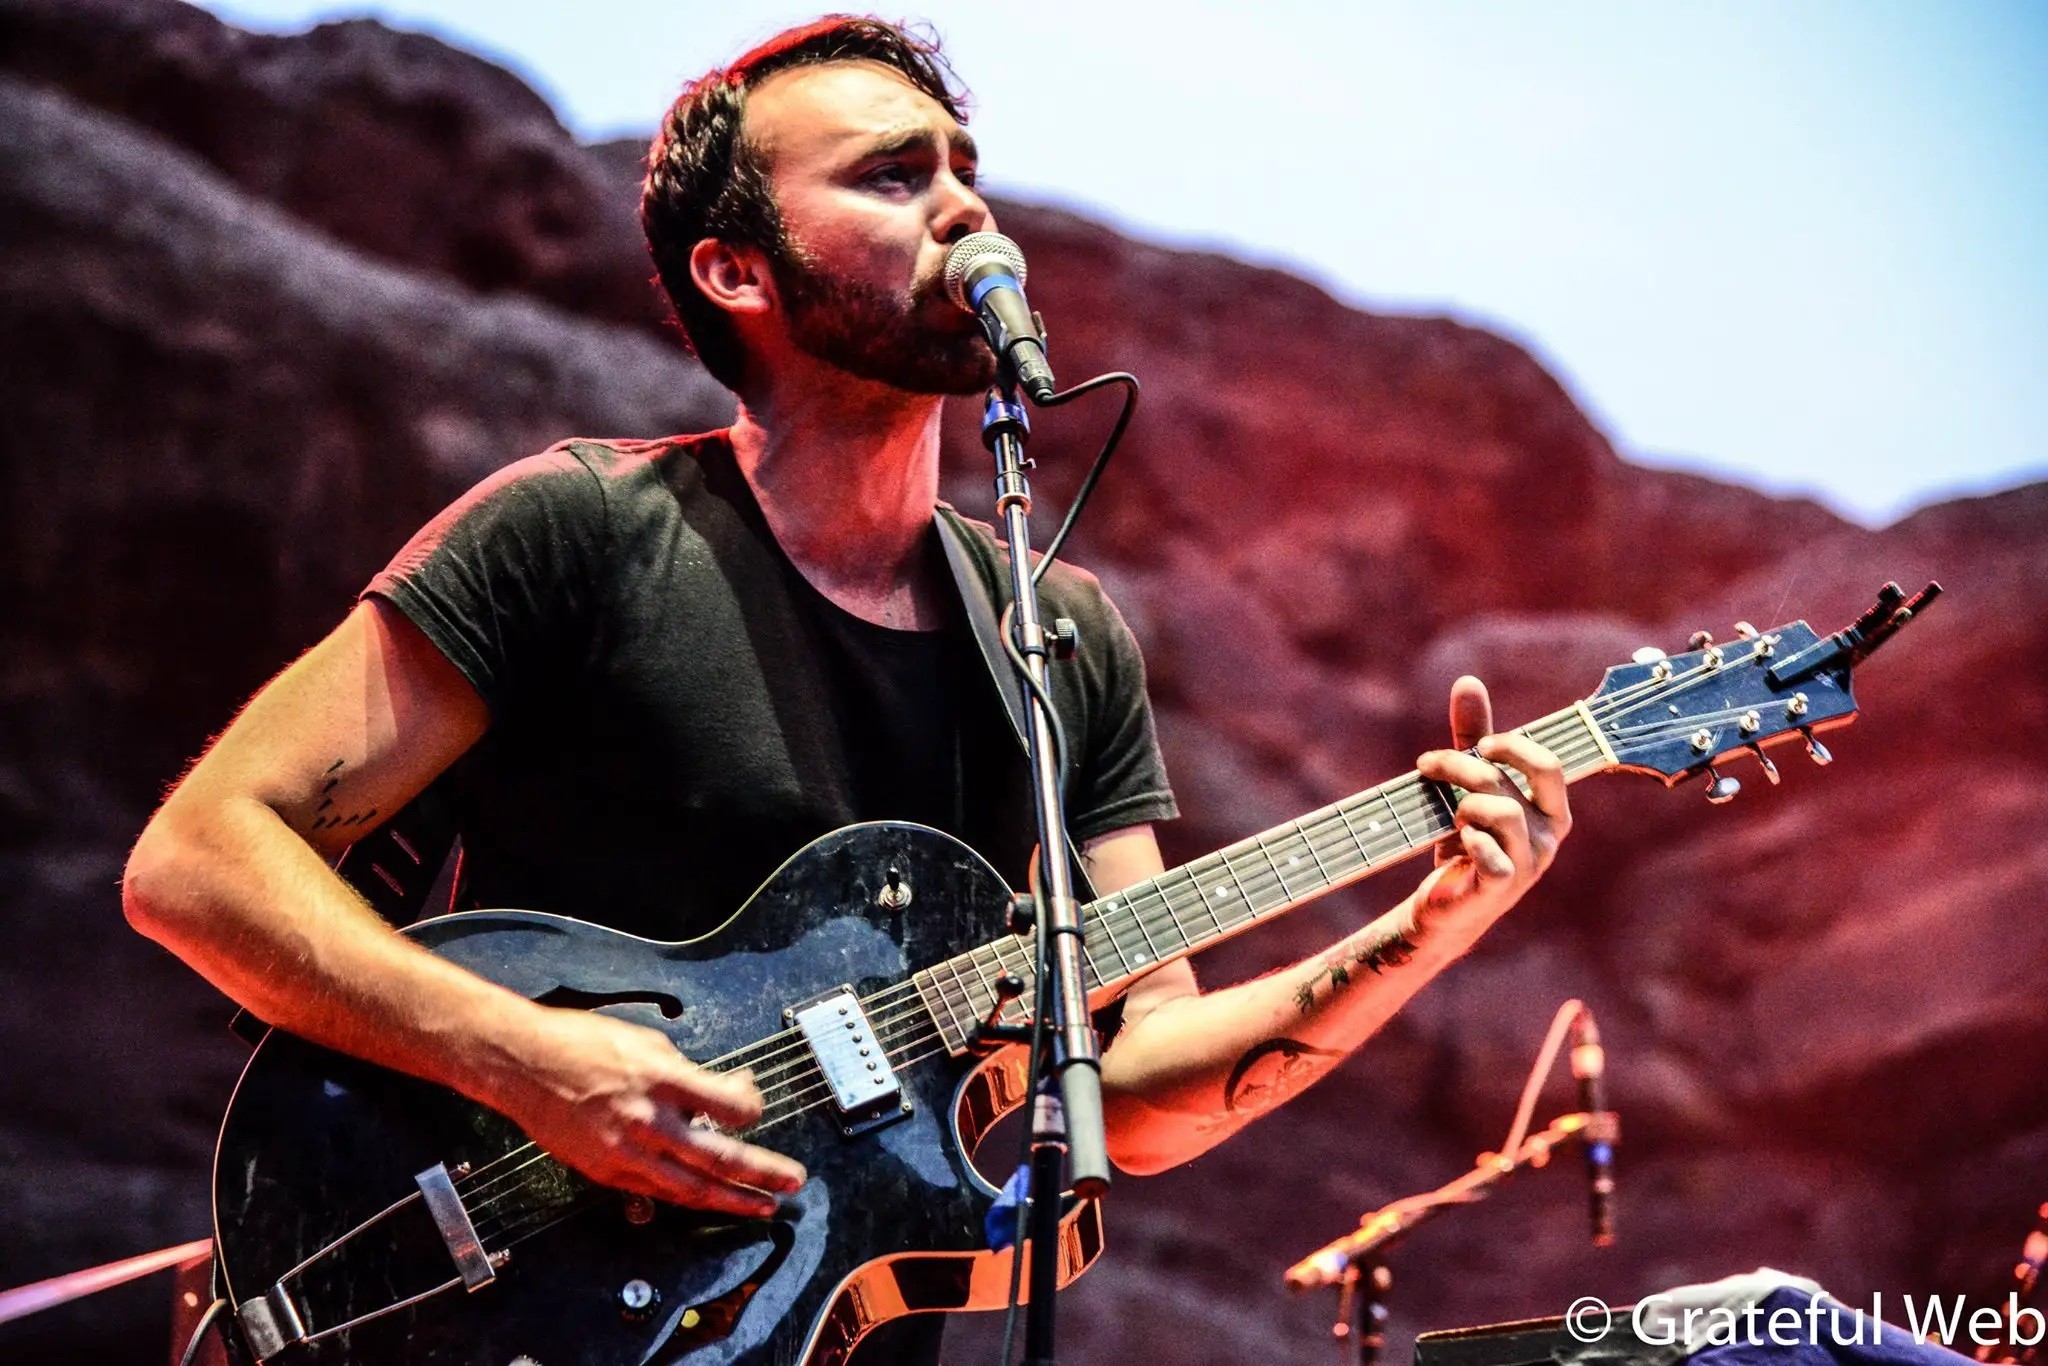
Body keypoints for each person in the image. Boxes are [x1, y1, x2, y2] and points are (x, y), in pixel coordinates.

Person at [122, 14, 1571, 1359]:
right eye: (893, 175)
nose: (964, 209)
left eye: (965, 170)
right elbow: (197, 859)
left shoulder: (1061, 638)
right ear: (739, 272)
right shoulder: (581, 533)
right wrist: (528, 1064)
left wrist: (1433, 922)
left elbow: (1133, 1091)